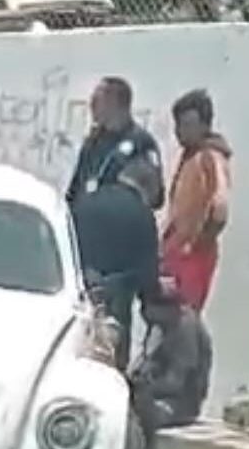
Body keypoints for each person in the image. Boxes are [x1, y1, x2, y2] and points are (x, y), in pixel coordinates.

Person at [72, 158, 163, 371]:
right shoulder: (142, 215)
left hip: (79, 296)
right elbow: (147, 274)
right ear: (148, 189)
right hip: (115, 303)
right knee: (112, 367)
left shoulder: (86, 202)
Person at [161, 88, 231, 313]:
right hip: (178, 255)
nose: (180, 132)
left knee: (183, 319)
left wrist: (193, 246)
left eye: (188, 125)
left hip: (192, 258)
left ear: (204, 125)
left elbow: (219, 210)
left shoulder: (210, 158)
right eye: (178, 125)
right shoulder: (190, 157)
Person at [66, 77, 164, 211]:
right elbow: (75, 190)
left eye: (97, 101)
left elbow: (154, 197)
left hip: (119, 224)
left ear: (115, 103)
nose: (91, 106)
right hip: (87, 222)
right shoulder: (92, 142)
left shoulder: (141, 143)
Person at [130, 278, 213, 430]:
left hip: (180, 404)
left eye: (147, 307)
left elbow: (176, 382)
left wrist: (141, 387)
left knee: (139, 417)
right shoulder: (161, 327)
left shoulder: (184, 329)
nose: (143, 312)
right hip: (161, 395)